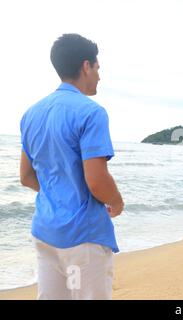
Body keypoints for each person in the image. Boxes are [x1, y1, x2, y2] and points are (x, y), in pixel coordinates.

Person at [19, 33, 124, 300]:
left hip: (45, 232)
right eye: (98, 68)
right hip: (82, 238)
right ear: (86, 66)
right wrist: (117, 202)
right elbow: (97, 181)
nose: (99, 75)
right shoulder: (91, 112)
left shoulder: (31, 114)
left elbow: (26, 176)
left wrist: (59, 193)